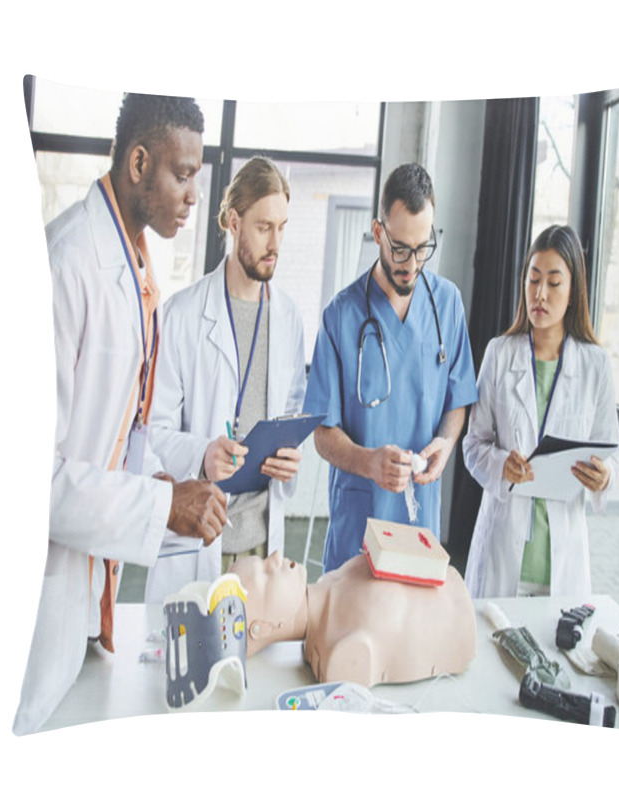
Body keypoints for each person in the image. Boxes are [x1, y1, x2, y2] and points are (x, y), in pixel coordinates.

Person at [13, 94, 228, 736]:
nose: (194, 195)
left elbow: (119, 429)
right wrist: (163, 507)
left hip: (86, 597)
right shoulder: (65, 264)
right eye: (182, 174)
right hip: (40, 600)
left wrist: (162, 483)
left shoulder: (136, 266)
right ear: (138, 162)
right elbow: (34, 482)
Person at [303, 163, 478, 572]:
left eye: (422, 248)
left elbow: (459, 400)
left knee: (414, 632)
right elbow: (322, 434)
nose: (412, 263)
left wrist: (446, 443)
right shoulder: (341, 316)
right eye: (400, 248)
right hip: (359, 529)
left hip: (420, 529)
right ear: (378, 232)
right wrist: (369, 462)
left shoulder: (447, 304)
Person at [145, 156, 305, 601]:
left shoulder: (289, 318)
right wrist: (202, 454)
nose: (276, 243)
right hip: (200, 541)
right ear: (233, 223)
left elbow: (292, 410)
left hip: (260, 545)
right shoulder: (181, 315)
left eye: (282, 228)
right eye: (263, 227)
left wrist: (291, 462)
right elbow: (152, 434)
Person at [463, 224, 619, 599]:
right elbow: (473, 445)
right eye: (533, 280)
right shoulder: (500, 354)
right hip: (503, 547)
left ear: (573, 291)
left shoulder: (595, 365)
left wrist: (605, 477)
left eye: (553, 283)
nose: (540, 294)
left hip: (561, 559)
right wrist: (502, 465)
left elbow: (613, 456)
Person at [229, 551, 476, 686]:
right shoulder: (342, 649)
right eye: (263, 575)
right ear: (260, 628)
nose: (274, 557)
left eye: (263, 561)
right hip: (461, 627)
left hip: (458, 604)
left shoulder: (330, 583)